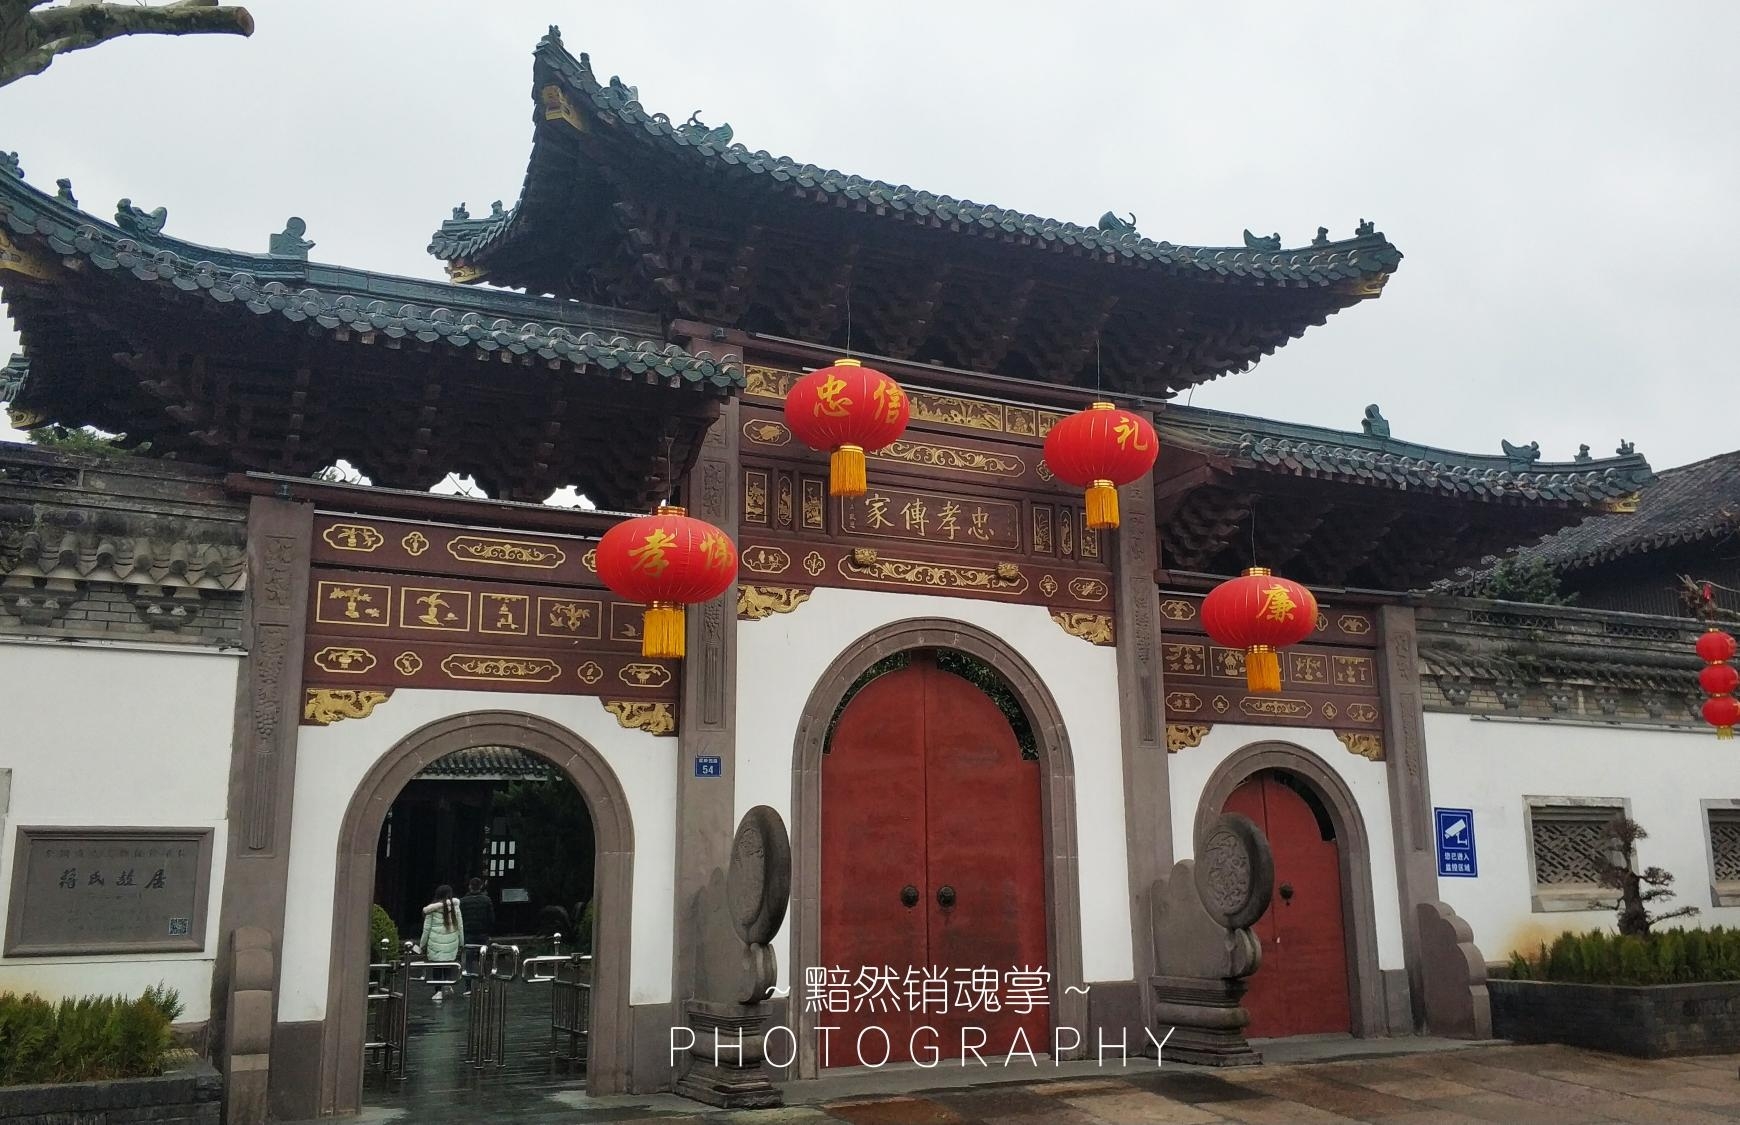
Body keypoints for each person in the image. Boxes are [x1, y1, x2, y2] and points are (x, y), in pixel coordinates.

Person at [415, 884, 464, 1000]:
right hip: (452, 941)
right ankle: (448, 984)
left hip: (435, 941)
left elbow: (426, 929)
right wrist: (462, 942)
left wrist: (422, 945)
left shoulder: (431, 909)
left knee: (437, 966)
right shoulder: (455, 907)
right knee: (448, 964)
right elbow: (460, 926)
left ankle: (438, 991)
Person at [458, 877, 494, 993]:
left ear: (470, 886)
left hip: (468, 933)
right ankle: (484, 984)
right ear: (481, 886)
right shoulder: (486, 900)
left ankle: (468, 986)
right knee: (483, 958)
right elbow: (491, 918)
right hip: (483, 933)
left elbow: (460, 919)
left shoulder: (462, 901)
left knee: (468, 960)